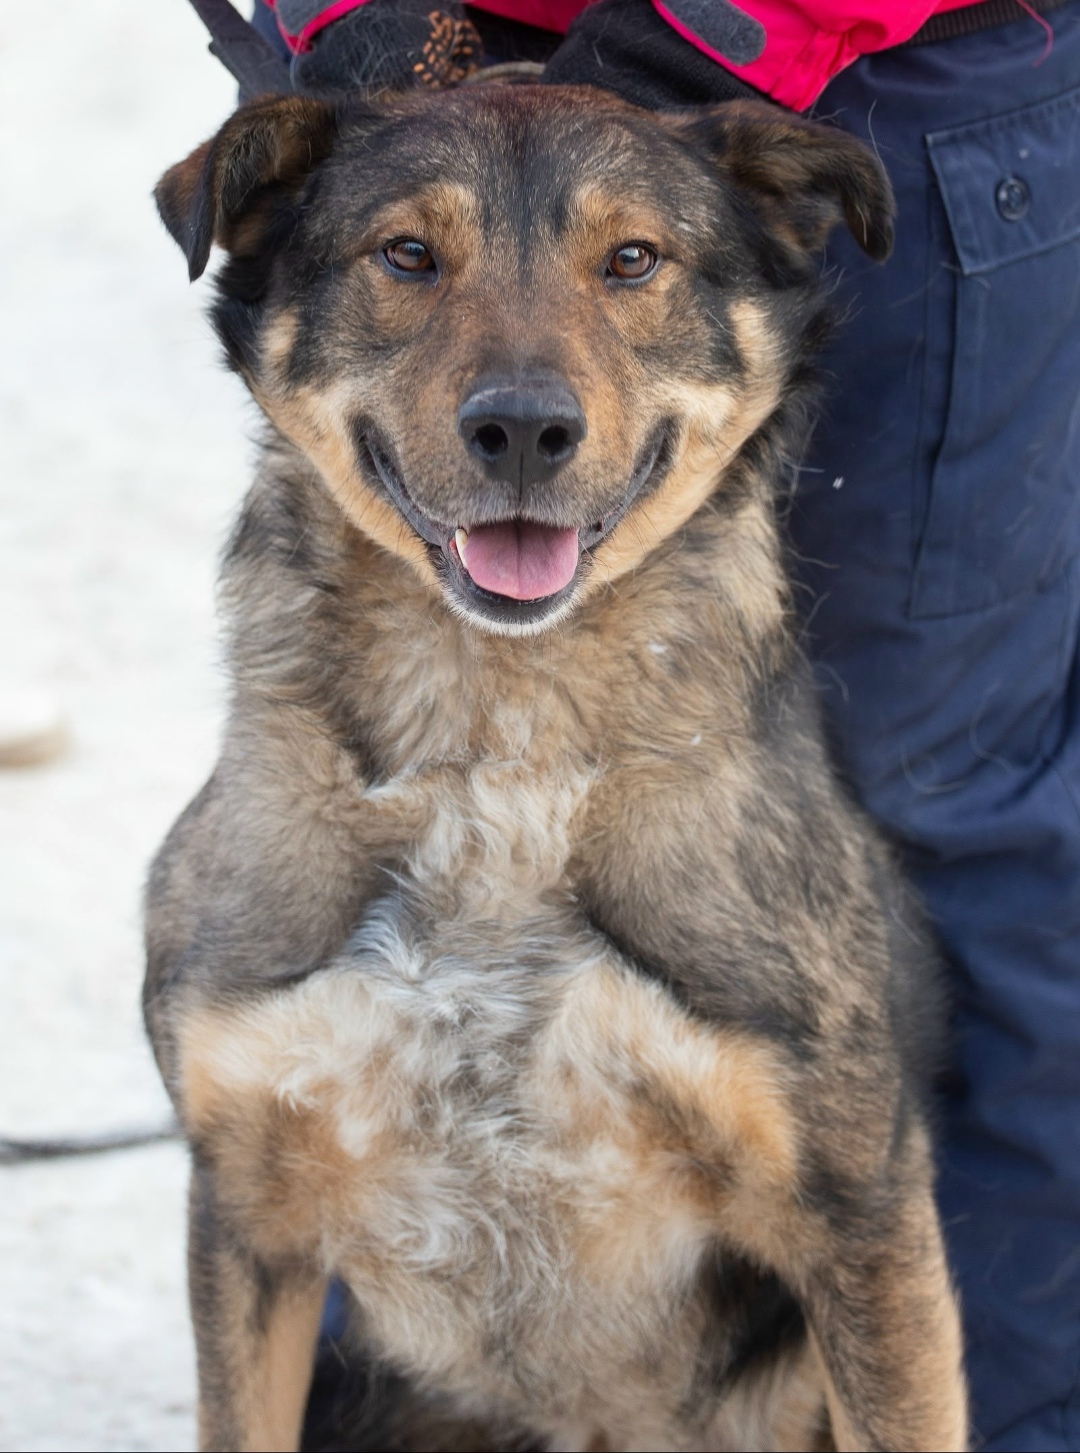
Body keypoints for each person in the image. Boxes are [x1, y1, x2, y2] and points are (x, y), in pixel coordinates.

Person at [226, 2, 1080, 1445]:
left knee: (923, 816)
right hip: (421, 102)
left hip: (859, 83)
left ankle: (1003, 1416)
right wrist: (352, 24)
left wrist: (699, 47)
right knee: (404, 829)